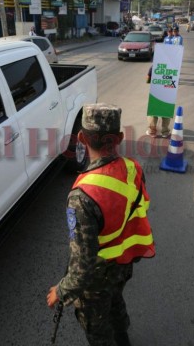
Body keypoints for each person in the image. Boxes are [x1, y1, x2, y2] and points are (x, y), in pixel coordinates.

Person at [46, 103, 155, 346]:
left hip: (97, 277)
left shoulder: (82, 195)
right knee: (115, 301)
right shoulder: (133, 168)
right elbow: (138, 210)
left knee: (97, 327)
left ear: (82, 138)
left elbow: (82, 266)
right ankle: (123, 339)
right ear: (119, 138)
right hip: (123, 265)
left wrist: (61, 292)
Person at [145, 66, 171, 138]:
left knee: (153, 112)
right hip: (168, 92)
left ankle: (152, 132)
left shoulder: (154, 66)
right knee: (165, 112)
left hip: (156, 92)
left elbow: (147, 80)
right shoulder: (172, 66)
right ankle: (165, 132)